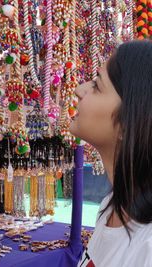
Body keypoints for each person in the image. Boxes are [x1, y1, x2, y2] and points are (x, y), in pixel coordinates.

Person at [70, 40, 152, 267]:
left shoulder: (147, 247)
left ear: (128, 123)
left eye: (97, 85)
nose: (79, 90)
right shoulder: (112, 207)